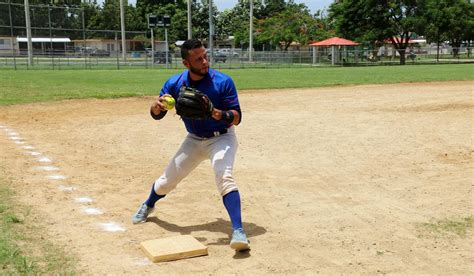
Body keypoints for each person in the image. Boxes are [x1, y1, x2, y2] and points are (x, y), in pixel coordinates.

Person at [132, 39, 249, 252]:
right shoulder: (175, 84)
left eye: (205, 56)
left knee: (224, 175)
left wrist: (216, 113)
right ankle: (148, 204)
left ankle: (238, 230)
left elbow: (237, 117)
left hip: (222, 137)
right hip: (194, 139)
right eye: (198, 59)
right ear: (186, 63)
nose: (205, 61)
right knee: (167, 181)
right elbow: (157, 114)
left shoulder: (223, 81)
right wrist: (156, 108)